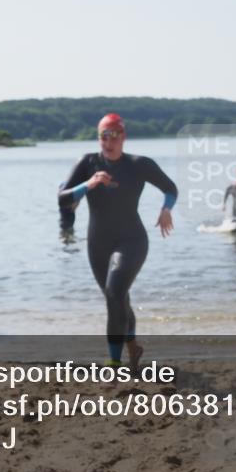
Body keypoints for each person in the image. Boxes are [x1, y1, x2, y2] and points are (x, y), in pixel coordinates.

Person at [58, 113, 177, 368]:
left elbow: (170, 188)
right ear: (98, 137)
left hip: (132, 240)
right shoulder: (87, 163)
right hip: (97, 243)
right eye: (104, 136)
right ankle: (132, 346)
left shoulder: (139, 164)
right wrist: (88, 184)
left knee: (114, 293)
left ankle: (113, 363)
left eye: (114, 135)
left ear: (123, 137)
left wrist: (166, 209)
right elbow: (62, 198)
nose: (108, 142)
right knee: (117, 299)